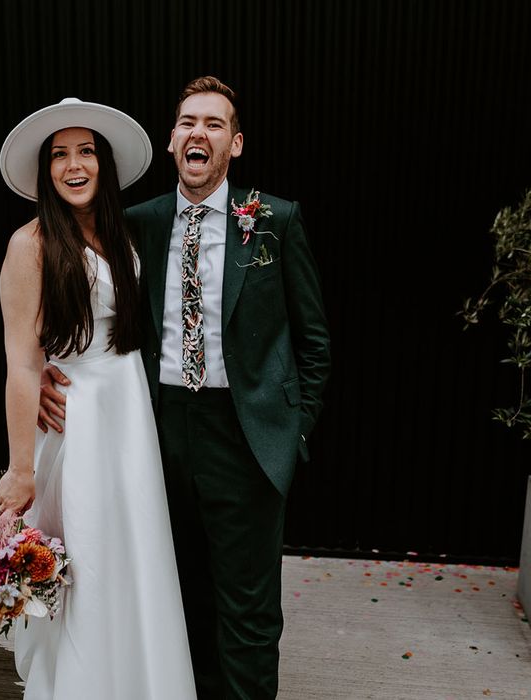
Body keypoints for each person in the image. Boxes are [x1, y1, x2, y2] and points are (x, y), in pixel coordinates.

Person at [40, 77, 331, 698]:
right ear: (173, 141)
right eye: (187, 122)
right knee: (178, 591)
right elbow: (76, 284)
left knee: (248, 610)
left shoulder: (274, 221)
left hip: (246, 434)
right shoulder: (138, 223)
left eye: (214, 123)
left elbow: (314, 340)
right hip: (158, 429)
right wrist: (45, 366)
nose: (199, 133)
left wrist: (293, 427)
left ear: (236, 142)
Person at [0, 98, 197, 700]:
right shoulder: (29, 245)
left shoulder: (120, 231)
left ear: (104, 164)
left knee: (137, 557)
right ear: (45, 170)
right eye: (60, 155)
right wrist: (21, 470)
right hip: (79, 425)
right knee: (90, 563)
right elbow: (23, 364)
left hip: (130, 417)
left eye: (86, 152)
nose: (74, 165)